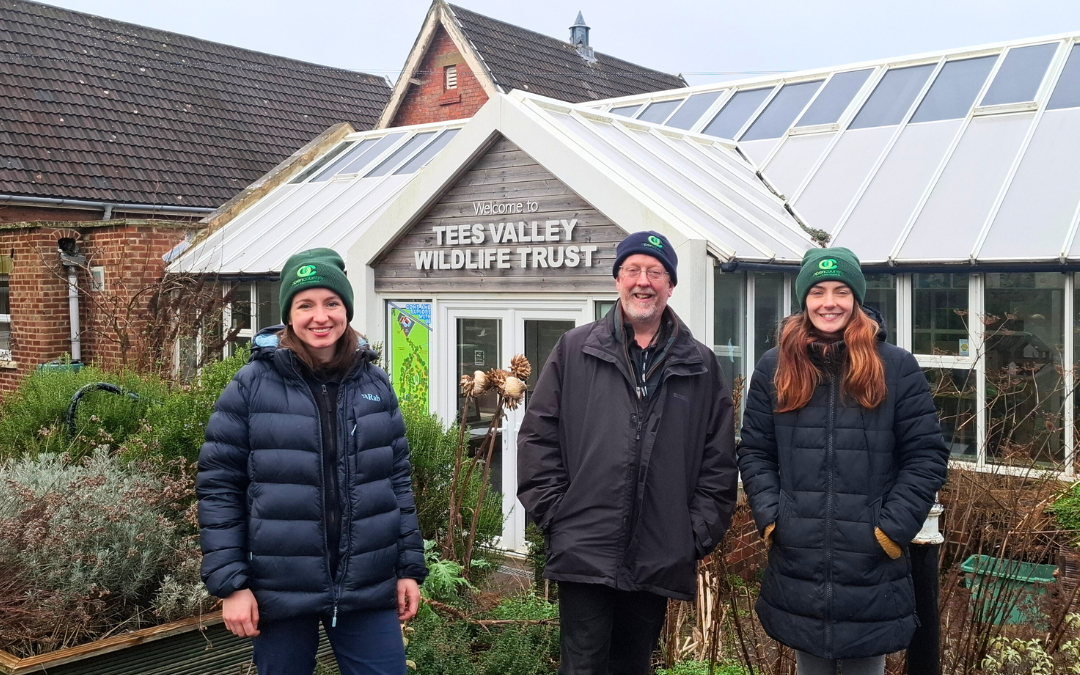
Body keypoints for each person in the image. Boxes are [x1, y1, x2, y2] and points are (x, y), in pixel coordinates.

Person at [518, 231, 739, 675]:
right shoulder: (575, 350)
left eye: (655, 272)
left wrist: (691, 535)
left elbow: (719, 462)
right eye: (633, 270)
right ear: (617, 280)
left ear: (670, 285)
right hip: (585, 548)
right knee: (581, 666)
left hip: (659, 549)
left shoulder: (700, 364)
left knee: (633, 665)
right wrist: (559, 516)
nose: (644, 282)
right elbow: (536, 438)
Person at [197, 248, 426, 675]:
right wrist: (232, 584)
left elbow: (395, 483)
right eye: (305, 305)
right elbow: (219, 488)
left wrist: (407, 568)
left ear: (347, 310)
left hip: (367, 584)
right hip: (278, 588)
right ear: (288, 314)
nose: (320, 317)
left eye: (331, 303)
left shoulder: (375, 383)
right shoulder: (250, 386)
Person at [737, 247, 949, 675]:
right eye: (817, 291)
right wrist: (773, 518)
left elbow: (926, 455)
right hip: (799, 556)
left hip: (871, 560)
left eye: (840, 291)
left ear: (856, 299)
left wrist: (890, 530)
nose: (828, 302)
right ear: (804, 299)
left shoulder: (895, 367)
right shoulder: (775, 367)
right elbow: (755, 450)